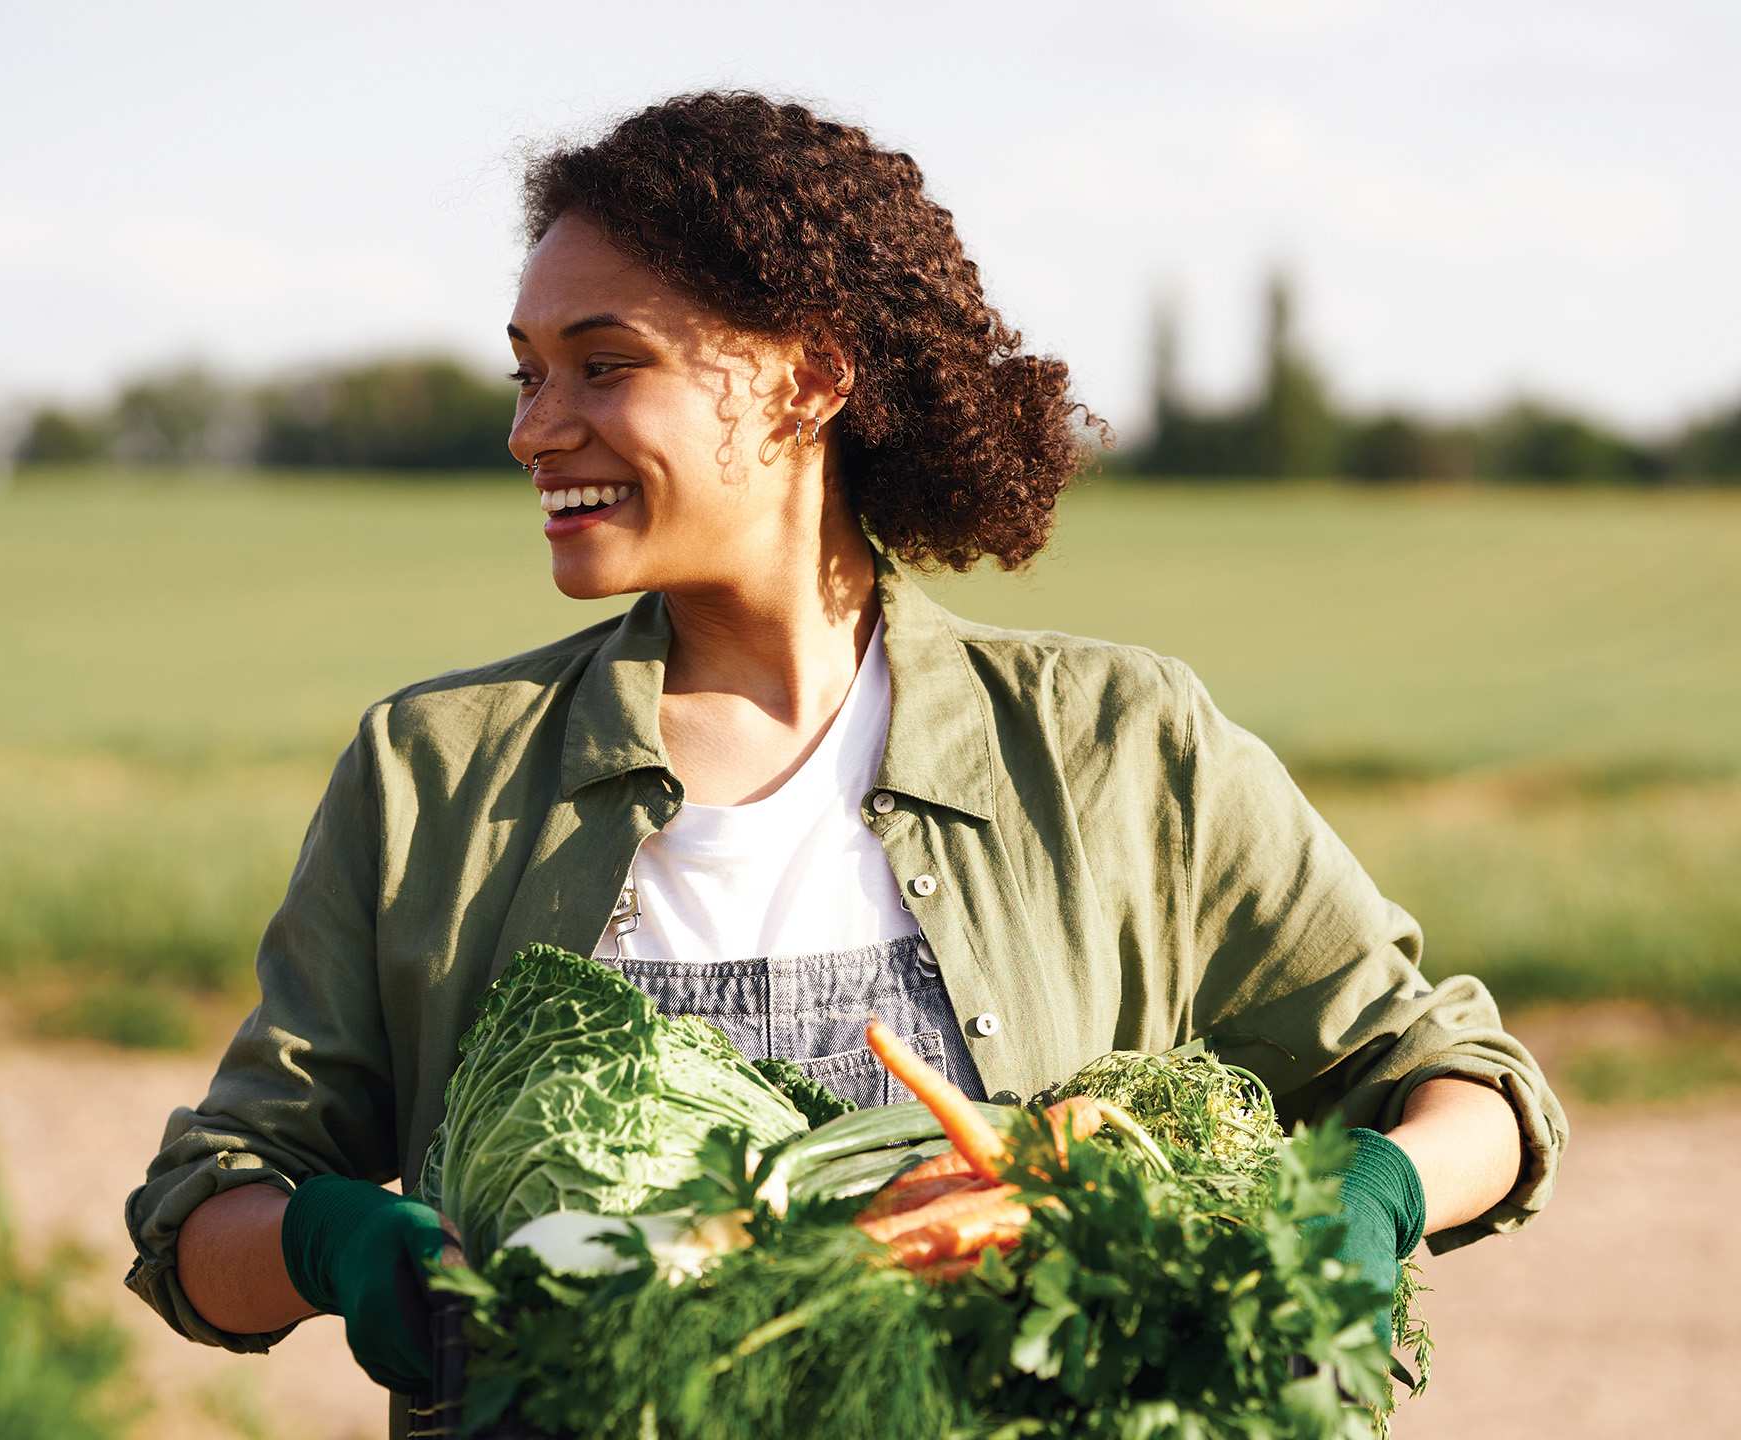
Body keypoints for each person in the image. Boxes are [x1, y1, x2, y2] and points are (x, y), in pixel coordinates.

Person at [124, 89, 1566, 1437]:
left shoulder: (1119, 749)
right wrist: (331, 1243)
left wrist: (1371, 1195)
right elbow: (208, 1216)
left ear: (808, 380)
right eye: (527, 372)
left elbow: (1460, 1083)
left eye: (604, 364)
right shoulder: (436, 774)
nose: (533, 428)